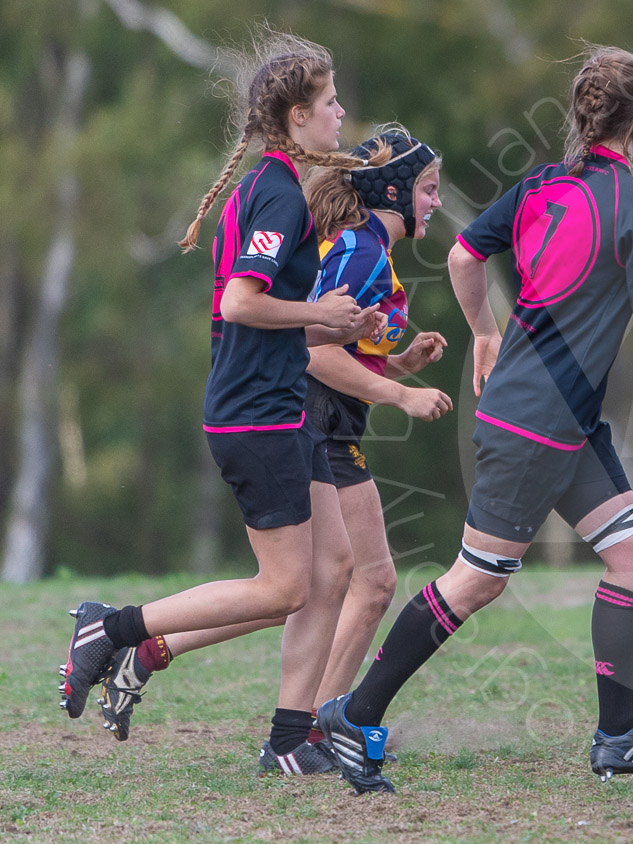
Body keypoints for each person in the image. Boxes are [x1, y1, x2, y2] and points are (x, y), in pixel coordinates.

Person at [316, 46, 633, 794]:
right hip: (535, 423)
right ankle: (354, 712)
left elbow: (466, 257)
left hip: (565, 423)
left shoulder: (541, 185)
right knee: (476, 582)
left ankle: (618, 736)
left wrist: (487, 332)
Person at [57, 31, 383, 772]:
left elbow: (263, 307)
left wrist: (339, 322)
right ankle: (111, 629)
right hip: (255, 414)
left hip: (281, 404)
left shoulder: (272, 189)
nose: (341, 114)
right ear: (298, 115)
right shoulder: (275, 192)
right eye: (331, 103)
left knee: (333, 569)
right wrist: (318, 316)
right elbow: (241, 303)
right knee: (286, 587)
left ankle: (289, 742)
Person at [92, 127, 453, 776]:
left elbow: (336, 341)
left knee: (319, 585)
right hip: (312, 423)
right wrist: (399, 396)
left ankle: (169, 659)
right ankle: (315, 726)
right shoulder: (357, 250)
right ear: (395, 191)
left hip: (324, 423)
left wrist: (399, 362)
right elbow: (313, 350)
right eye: (429, 189)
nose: (437, 203)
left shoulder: (365, 248)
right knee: (351, 583)